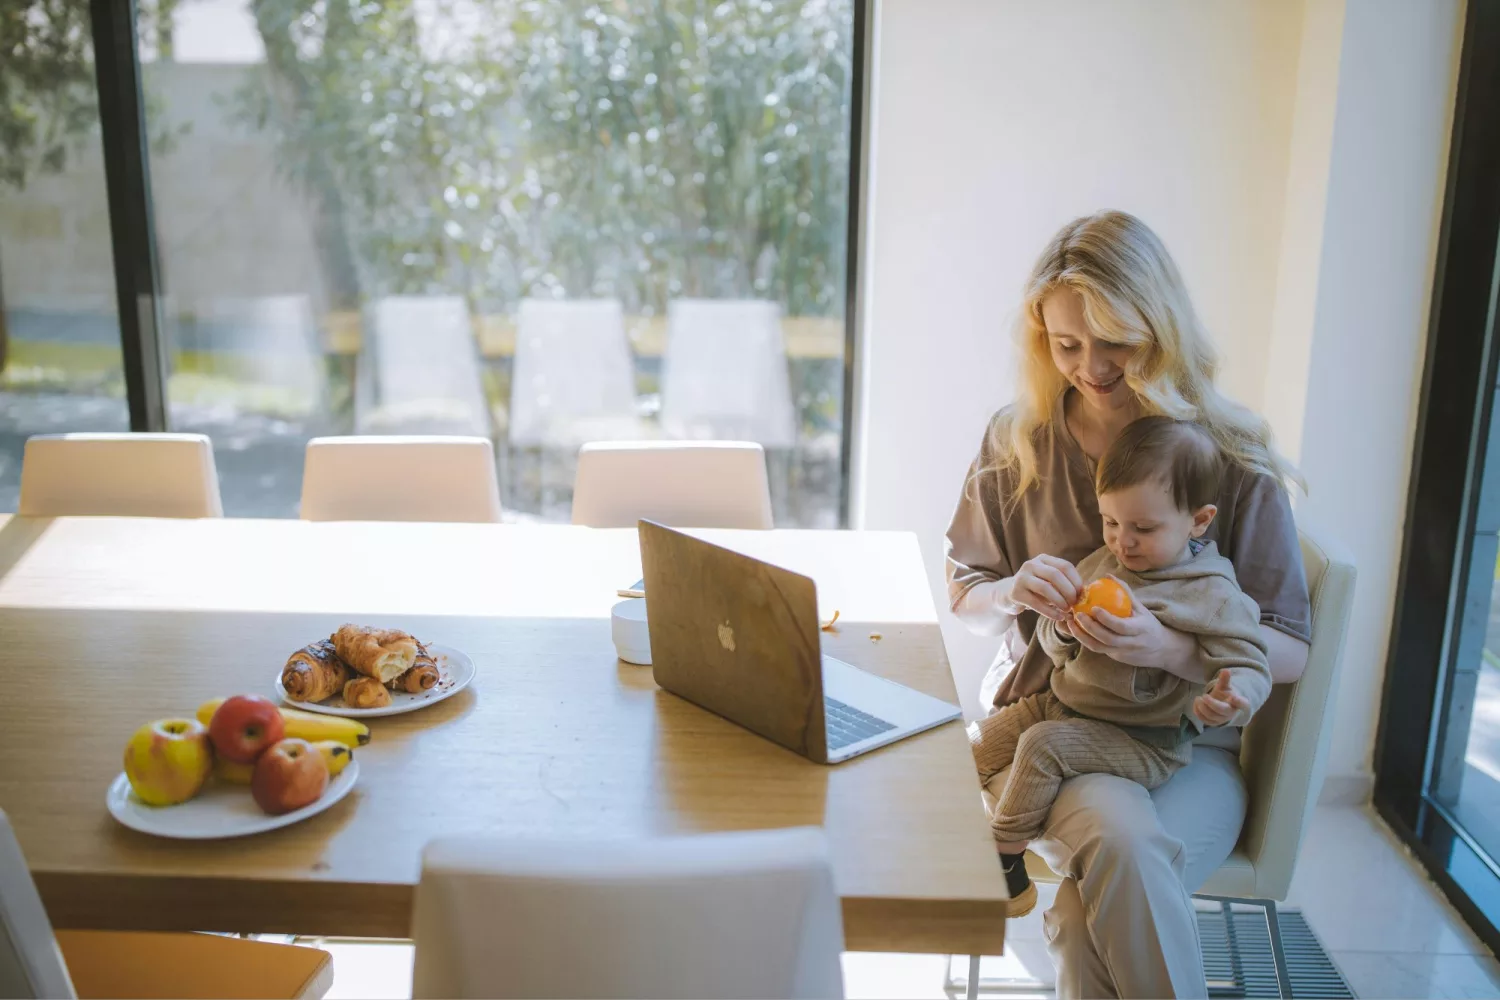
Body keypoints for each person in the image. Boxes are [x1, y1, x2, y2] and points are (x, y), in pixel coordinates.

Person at [946, 210, 1311, 999]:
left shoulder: (1226, 458)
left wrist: (1171, 650)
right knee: (1118, 837)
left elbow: (1287, 647)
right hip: (1055, 725)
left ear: (1161, 327)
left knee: (1084, 915)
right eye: (1066, 344)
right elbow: (966, 597)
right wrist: (1011, 592)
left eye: (1116, 341)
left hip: (1190, 752)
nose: (1091, 367)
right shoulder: (1019, 441)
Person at [969, 415, 1273, 919]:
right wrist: (1063, 627)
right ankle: (940, 846)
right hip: (1061, 703)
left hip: (1143, 740)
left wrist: (1233, 694)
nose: (1122, 542)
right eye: (1111, 523)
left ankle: (1004, 865)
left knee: (1042, 747)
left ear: (1198, 521)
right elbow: (1052, 644)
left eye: (1144, 528)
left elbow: (1250, 662)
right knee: (969, 748)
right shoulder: (1105, 563)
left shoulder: (1212, 593)